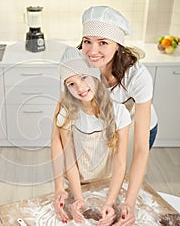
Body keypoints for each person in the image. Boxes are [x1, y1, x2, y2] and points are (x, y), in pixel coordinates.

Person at [52, 6, 158, 225]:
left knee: (125, 184)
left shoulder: (137, 76)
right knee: (99, 181)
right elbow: (58, 132)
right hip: (100, 126)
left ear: (117, 45)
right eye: (87, 41)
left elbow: (139, 149)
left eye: (103, 42)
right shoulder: (78, 63)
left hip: (136, 128)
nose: (92, 51)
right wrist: (59, 187)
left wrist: (129, 203)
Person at [51, 46, 131, 225]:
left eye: (83, 77)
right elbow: (69, 160)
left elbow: (120, 162)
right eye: (71, 83)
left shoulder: (119, 112)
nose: (80, 87)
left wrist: (109, 201)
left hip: (109, 182)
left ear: (95, 76)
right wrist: (78, 198)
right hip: (78, 182)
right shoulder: (67, 113)